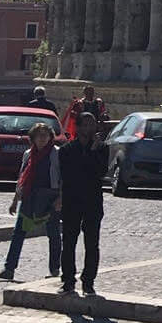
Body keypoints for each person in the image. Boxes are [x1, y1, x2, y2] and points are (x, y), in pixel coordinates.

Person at [0, 121, 61, 280]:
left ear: (50, 137)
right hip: (29, 197)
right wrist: (15, 200)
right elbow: (22, 178)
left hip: (49, 197)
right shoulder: (28, 154)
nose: (42, 139)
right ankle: (9, 269)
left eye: (45, 135)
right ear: (33, 138)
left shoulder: (56, 153)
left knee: (53, 234)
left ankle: (54, 270)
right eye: (39, 136)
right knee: (19, 233)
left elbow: (64, 178)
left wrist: (60, 199)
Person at [58, 109, 108, 294]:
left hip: (93, 201)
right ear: (78, 127)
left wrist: (93, 151)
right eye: (85, 124)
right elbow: (69, 173)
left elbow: (100, 172)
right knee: (69, 242)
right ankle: (68, 280)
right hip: (72, 201)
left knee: (92, 244)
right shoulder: (67, 150)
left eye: (92, 123)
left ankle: (89, 282)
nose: (89, 127)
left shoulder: (102, 148)